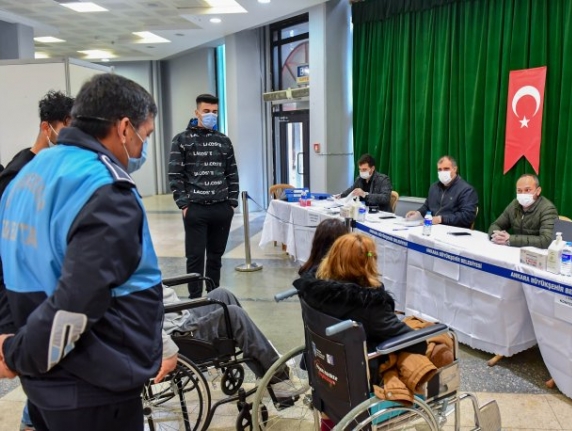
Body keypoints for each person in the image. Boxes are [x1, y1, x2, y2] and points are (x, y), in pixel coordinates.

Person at [0, 73, 169, 431]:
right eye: (146, 134)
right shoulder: (105, 188)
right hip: (94, 384)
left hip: (46, 382)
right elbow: (76, 303)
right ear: (124, 128)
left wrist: (13, 343)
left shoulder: (32, 173)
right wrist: (16, 353)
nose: (142, 149)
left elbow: (11, 265)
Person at [294, 233, 429, 430]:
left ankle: (329, 422)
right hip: (361, 378)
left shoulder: (312, 291)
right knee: (435, 339)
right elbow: (414, 342)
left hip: (325, 372)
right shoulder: (369, 305)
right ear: (368, 263)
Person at [0, 90, 74, 431]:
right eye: (67, 128)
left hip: (55, 303)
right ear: (48, 128)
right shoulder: (16, 180)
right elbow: (6, 258)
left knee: (48, 383)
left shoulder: (60, 172)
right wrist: (5, 325)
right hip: (25, 304)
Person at [162, 285, 304, 397]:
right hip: (176, 334)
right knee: (233, 314)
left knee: (222, 294)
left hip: (179, 315)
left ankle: (265, 369)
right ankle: (280, 378)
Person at [169, 93, 239, 298]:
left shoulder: (223, 141)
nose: (211, 115)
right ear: (197, 112)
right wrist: (183, 205)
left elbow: (232, 173)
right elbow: (175, 174)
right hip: (195, 209)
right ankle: (195, 300)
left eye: (215, 112)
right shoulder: (182, 140)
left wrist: (232, 203)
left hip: (221, 208)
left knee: (216, 257)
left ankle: (214, 296)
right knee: (195, 257)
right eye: (206, 111)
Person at [405, 155, 479, 228]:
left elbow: (467, 216)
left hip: (453, 230)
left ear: (455, 169)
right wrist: (418, 213)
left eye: (446, 169)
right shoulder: (434, 187)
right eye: (440, 170)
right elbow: (427, 206)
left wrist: (441, 219)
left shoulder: (466, 190)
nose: (442, 172)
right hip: (433, 228)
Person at [488, 174, 558, 248]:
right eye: (519, 190)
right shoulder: (514, 204)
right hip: (515, 250)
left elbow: (546, 240)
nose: (523, 194)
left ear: (538, 191)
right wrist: (496, 235)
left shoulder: (548, 209)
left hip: (536, 255)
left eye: (527, 190)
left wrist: (510, 239)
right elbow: (496, 225)